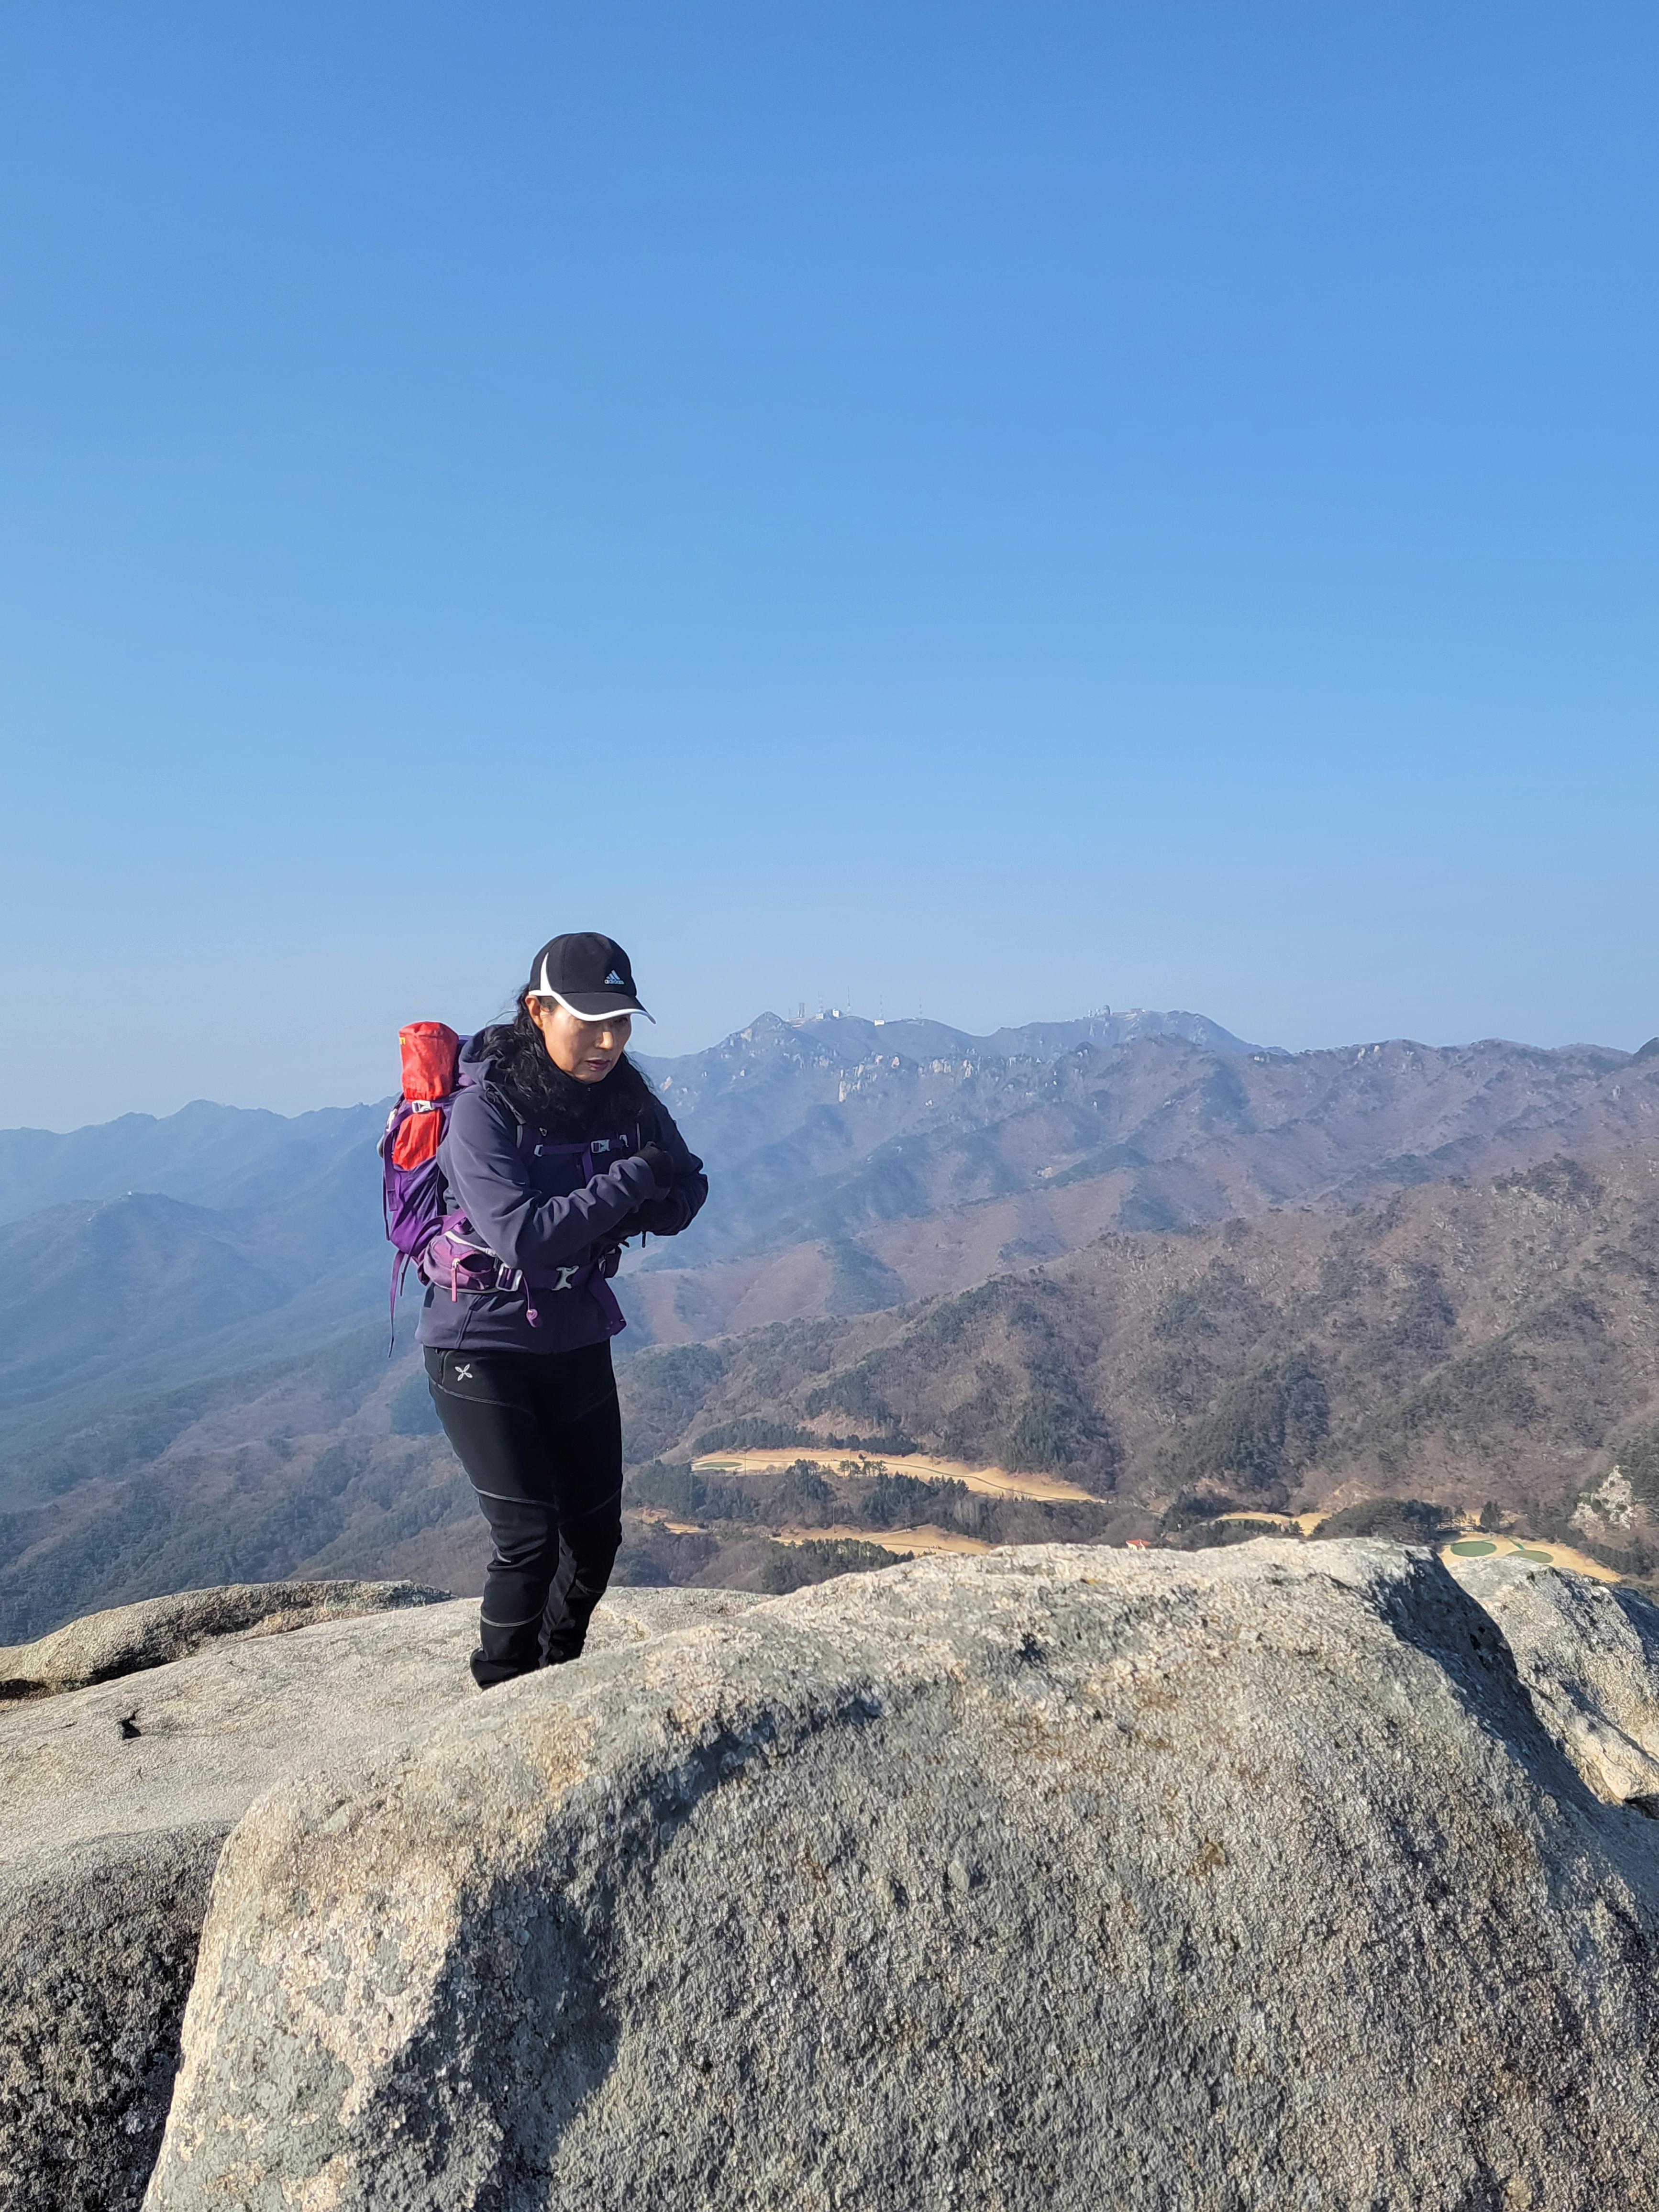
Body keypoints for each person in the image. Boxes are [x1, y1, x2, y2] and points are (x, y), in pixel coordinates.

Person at [418, 932, 707, 1688]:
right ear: (538, 1011)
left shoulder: (627, 1100)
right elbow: (523, 1238)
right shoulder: (483, 1111)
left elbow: (689, 1185)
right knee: (528, 1541)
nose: (609, 1041)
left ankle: (554, 1684)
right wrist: (633, 1182)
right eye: (591, 1021)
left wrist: (648, 1204)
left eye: (622, 1021)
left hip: (575, 1334)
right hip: (478, 1344)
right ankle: (499, 1695)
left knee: (595, 1538)